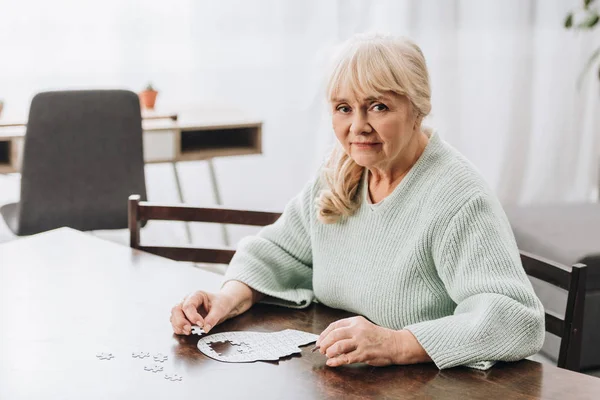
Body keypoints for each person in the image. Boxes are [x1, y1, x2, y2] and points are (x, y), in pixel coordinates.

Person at [170, 33, 545, 370]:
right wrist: (225, 298)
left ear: (417, 108)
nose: (358, 127)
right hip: (351, 381)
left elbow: (515, 318)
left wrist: (399, 344)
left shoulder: (458, 197)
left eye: (378, 106)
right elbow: (277, 251)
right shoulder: (341, 170)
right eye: (343, 108)